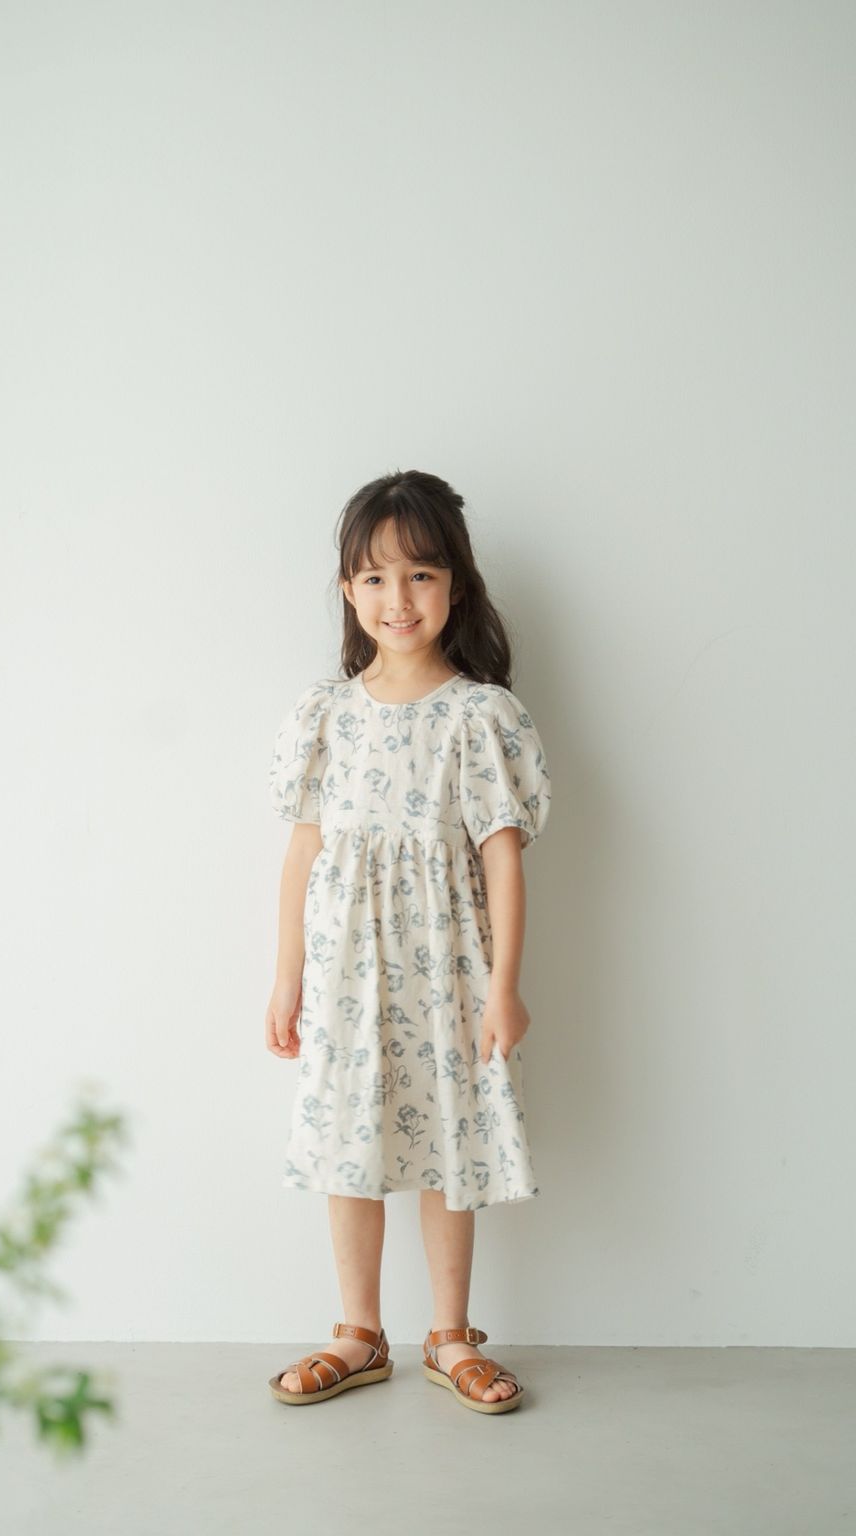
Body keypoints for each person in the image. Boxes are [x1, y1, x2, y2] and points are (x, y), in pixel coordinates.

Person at [264, 469, 552, 1415]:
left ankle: (450, 1333)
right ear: (348, 591)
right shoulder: (327, 716)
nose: (399, 598)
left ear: (456, 587)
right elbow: (302, 855)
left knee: (448, 1142)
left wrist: (504, 986)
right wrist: (286, 978)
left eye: (421, 574)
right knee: (349, 1141)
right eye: (376, 577)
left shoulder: (478, 715)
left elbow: (502, 858)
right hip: (346, 973)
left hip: (446, 973)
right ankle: (358, 1332)